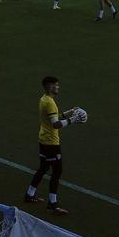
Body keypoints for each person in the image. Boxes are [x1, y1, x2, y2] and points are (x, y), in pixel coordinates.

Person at [23, 76, 87, 216]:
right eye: (55, 85)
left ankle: (29, 194)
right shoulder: (50, 102)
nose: (58, 87)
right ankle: (52, 205)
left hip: (43, 140)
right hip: (51, 143)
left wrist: (68, 112)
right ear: (49, 86)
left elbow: (53, 117)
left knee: (43, 168)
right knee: (57, 172)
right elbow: (55, 124)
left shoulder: (44, 99)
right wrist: (72, 120)